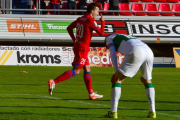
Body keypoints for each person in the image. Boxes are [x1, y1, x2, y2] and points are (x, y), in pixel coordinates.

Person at [48, 3, 105, 100]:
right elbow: (102, 33)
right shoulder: (90, 20)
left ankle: (91, 93)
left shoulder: (80, 19)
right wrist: (102, 22)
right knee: (76, 71)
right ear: (92, 11)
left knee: (87, 68)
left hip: (78, 46)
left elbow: (69, 28)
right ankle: (54, 82)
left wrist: (74, 39)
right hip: (82, 48)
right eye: (97, 11)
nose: (98, 13)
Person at [103, 34, 156, 119]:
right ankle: (152, 111)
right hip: (148, 51)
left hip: (136, 51)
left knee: (116, 80)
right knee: (146, 80)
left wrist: (116, 71)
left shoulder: (109, 38)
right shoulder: (124, 36)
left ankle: (113, 113)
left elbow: (113, 54)